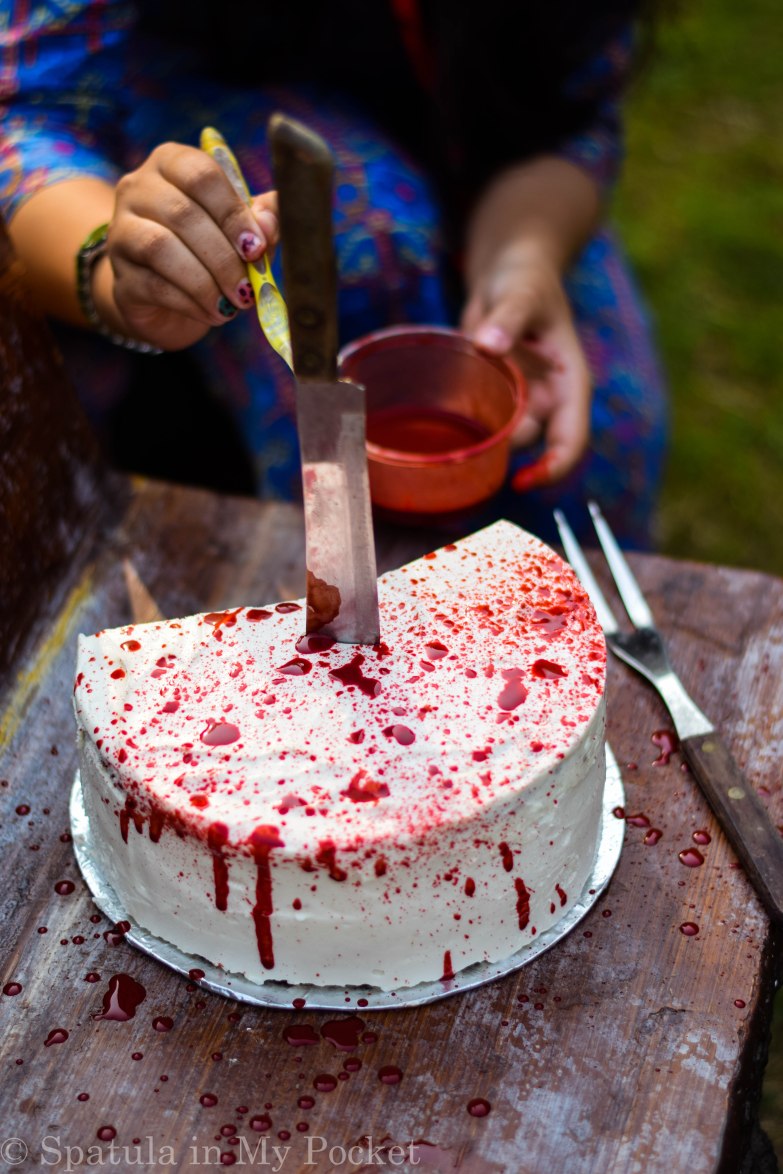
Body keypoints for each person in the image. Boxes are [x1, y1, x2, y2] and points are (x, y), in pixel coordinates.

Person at [0, 0, 667, 547]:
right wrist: (112, 266)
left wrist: (524, 253)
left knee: (602, 434)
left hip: (482, 157)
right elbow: (27, 114)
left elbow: (577, 119)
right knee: (360, 243)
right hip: (176, 111)